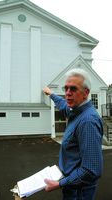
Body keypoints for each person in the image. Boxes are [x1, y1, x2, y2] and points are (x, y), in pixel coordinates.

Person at [43, 68, 103, 200]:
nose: (67, 93)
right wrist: (51, 94)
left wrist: (59, 184)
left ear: (86, 93)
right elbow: (63, 105)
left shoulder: (88, 121)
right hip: (72, 187)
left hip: (79, 193)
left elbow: (90, 170)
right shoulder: (75, 110)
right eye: (66, 89)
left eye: (73, 89)